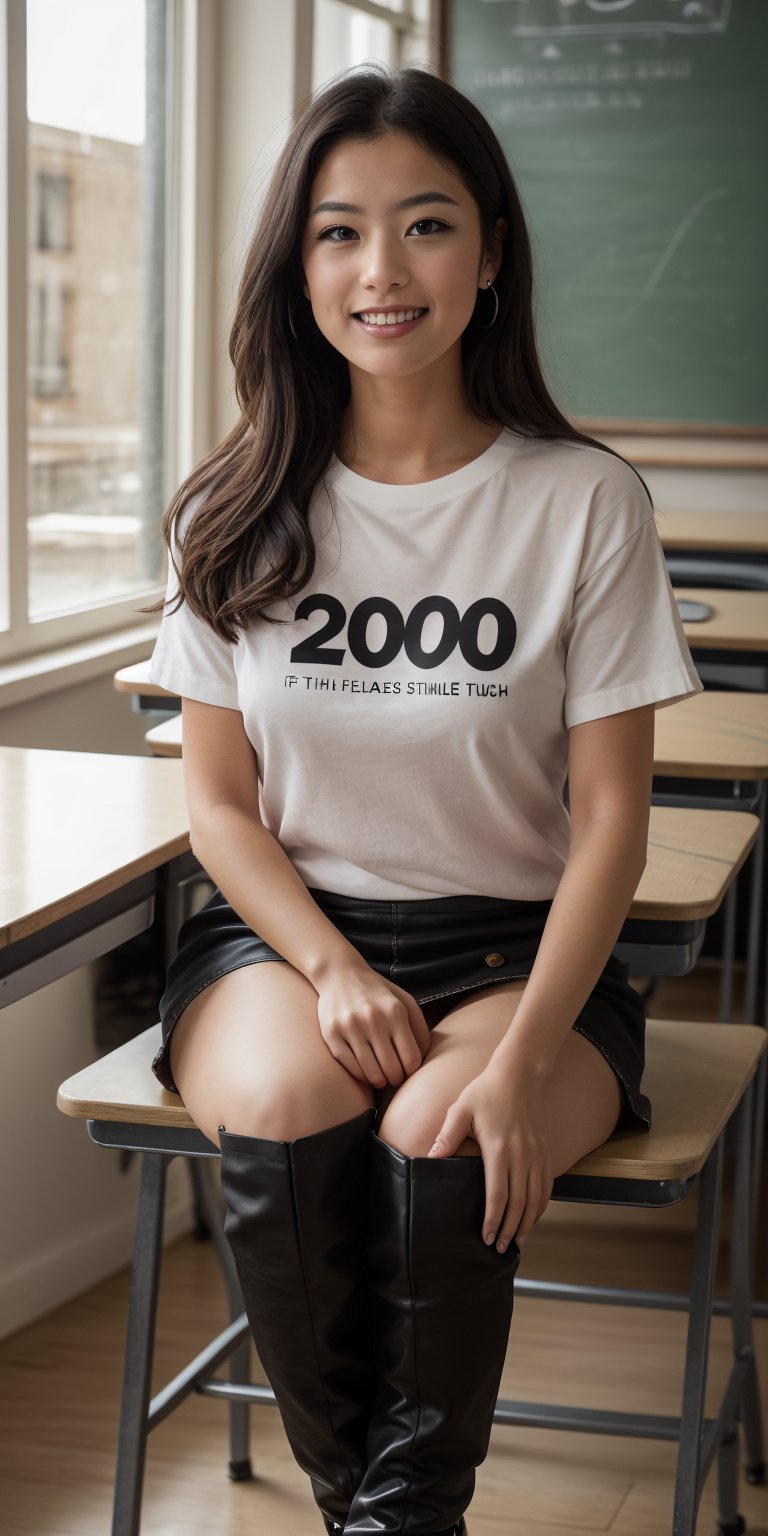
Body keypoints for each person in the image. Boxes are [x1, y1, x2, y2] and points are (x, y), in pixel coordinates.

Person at [141, 62, 702, 1536]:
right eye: (338, 232)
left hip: (522, 951)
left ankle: (380, 1522)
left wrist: (522, 1054)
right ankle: (393, 1524)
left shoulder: (583, 502)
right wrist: (326, 966)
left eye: (426, 226)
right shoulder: (234, 503)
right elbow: (218, 802)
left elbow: (614, 829)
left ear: (493, 254)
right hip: (285, 935)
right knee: (274, 1100)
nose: (381, 271)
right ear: (296, 263)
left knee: (446, 1134)